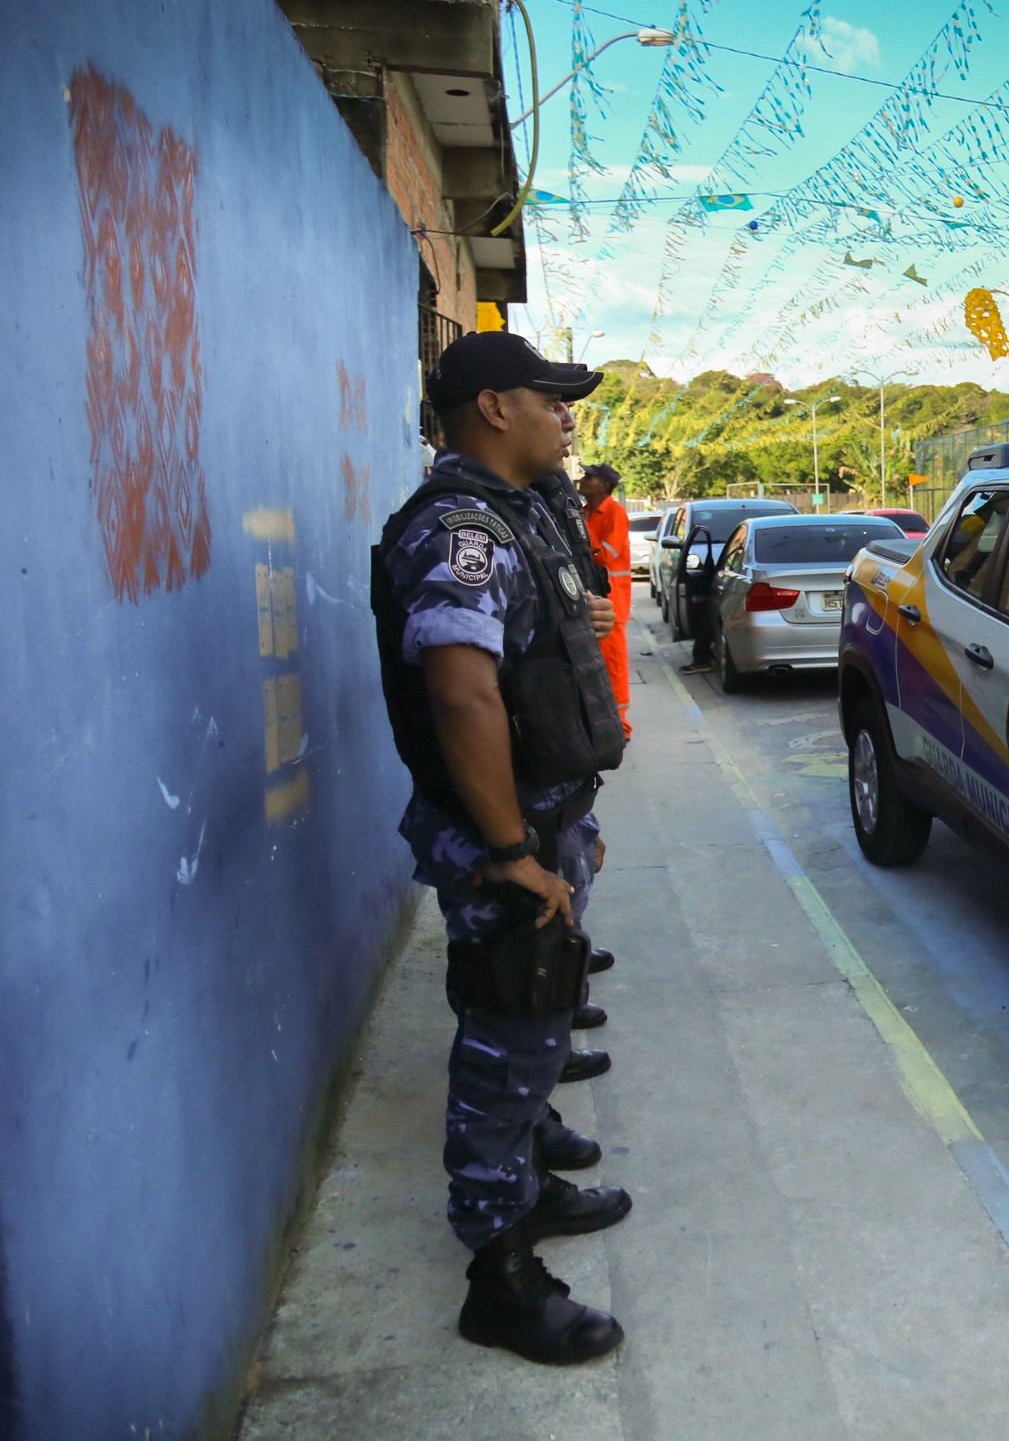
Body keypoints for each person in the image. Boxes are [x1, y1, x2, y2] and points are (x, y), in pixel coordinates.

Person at [369, 331, 632, 1365]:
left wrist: (573, 820)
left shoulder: (514, 517)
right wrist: (515, 848)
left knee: (534, 1027)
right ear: (491, 408)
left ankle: (531, 1184)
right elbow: (461, 689)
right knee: (507, 1041)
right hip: (505, 841)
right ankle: (500, 1275)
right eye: (549, 398)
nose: (565, 417)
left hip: (544, 818)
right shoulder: (459, 531)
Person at [577, 464, 633, 739]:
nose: (582, 480)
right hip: (592, 599)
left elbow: (607, 554)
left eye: (589, 477)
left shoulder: (614, 512)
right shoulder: (584, 512)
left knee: (613, 663)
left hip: (613, 600)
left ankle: (621, 725)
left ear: (604, 485)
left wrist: (584, 530)